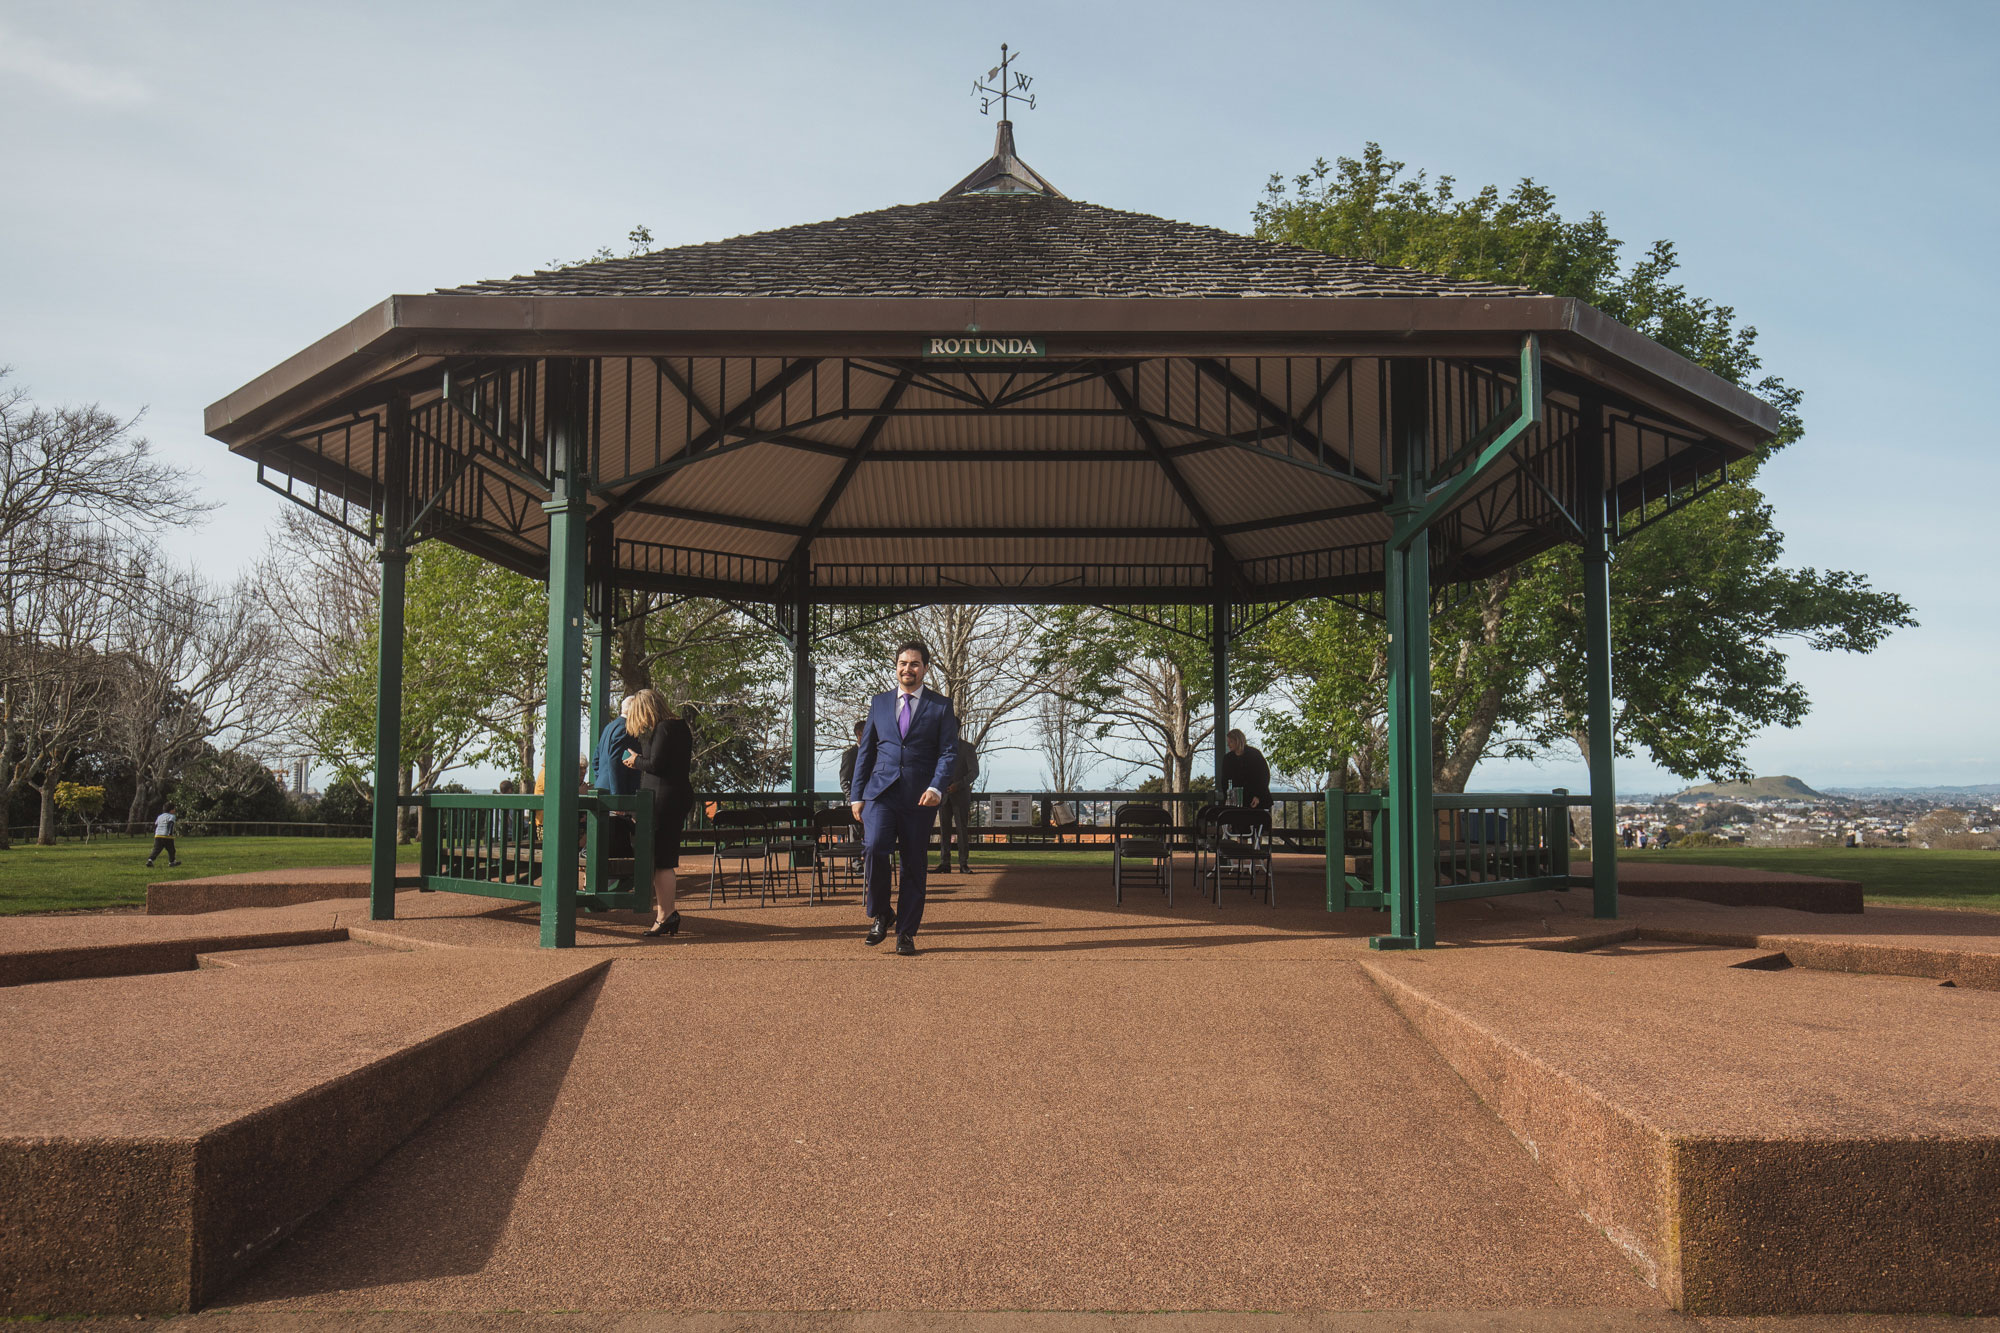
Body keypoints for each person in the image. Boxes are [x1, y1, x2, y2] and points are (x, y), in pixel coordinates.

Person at [849, 640, 960, 956]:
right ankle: (882, 912)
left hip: (920, 797)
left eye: (914, 664)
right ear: (896, 667)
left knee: (914, 863)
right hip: (880, 793)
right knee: (873, 847)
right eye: (902, 663)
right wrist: (857, 795)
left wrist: (937, 787)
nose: (907, 669)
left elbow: (949, 751)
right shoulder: (879, 703)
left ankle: (906, 933)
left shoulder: (940, 706)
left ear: (925, 668)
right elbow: (866, 751)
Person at [622, 687, 694, 937]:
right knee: (662, 859)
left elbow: (656, 765)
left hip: (664, 800)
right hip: (673, 797)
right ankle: (666, 914)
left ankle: (666, 915)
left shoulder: (664, 728)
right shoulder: (679, 728)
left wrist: (635, 761)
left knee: (662, 861)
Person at [594, 698, 642, 857]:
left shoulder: (609, 727)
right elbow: (615, 761)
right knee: (616, 844)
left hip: (604, 787)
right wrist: (617, 799)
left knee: (608, 841)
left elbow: (596, 760)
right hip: (616, 793)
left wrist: (601, 779)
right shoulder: (625, 729)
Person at [935, 740, 979, 874]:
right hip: (943, 795)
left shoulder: (967, 748)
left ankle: (963, 863)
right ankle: (945, 863)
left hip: (960, 795)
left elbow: (974, 772)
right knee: (944, 830)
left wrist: (958, 785)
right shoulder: (940, 746)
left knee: (962, 830)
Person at [1219, 729, 1273, 810]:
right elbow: (1224, 780)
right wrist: (1228, 798)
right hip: (1235, 802)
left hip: (1255, 801)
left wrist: (1258, 796)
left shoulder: (1254, 754)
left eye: (1231, 742)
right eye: (1228, 742)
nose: (1228, 744)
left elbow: (1264, 777)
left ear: (1238, 741)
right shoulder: (1228, 758)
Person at [837, 717, 866, 801]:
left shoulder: (877, 753)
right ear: (859, 733)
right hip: (858, 803)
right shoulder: (850, 755)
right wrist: (853, 800)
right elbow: (844, 781)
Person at [145, 802, 180, 868]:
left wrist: (155, 833)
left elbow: (156, 825)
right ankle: (172, 862)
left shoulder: (160, 816)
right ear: (171, 810)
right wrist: (170, 833)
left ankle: (150, 860)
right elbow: (171, 824)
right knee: (171, 850)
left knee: (156, 850)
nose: (174, 810)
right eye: (174, 809)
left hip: (158, 835)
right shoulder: (172, 816)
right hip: (166, 836)